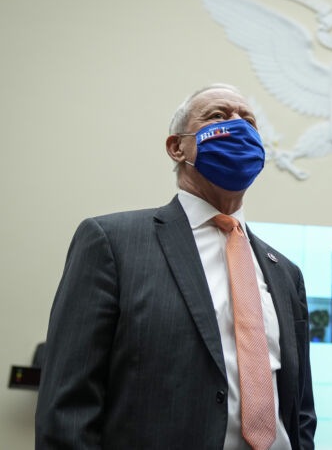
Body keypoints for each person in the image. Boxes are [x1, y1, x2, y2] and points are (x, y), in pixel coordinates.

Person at [36, 84, 316, 450]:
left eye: (248, 121)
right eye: (218, 116)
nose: (238, 126)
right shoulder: (111, 242)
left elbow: (300, 411)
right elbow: (68, 405)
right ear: (177, 147)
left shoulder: (285, 273)